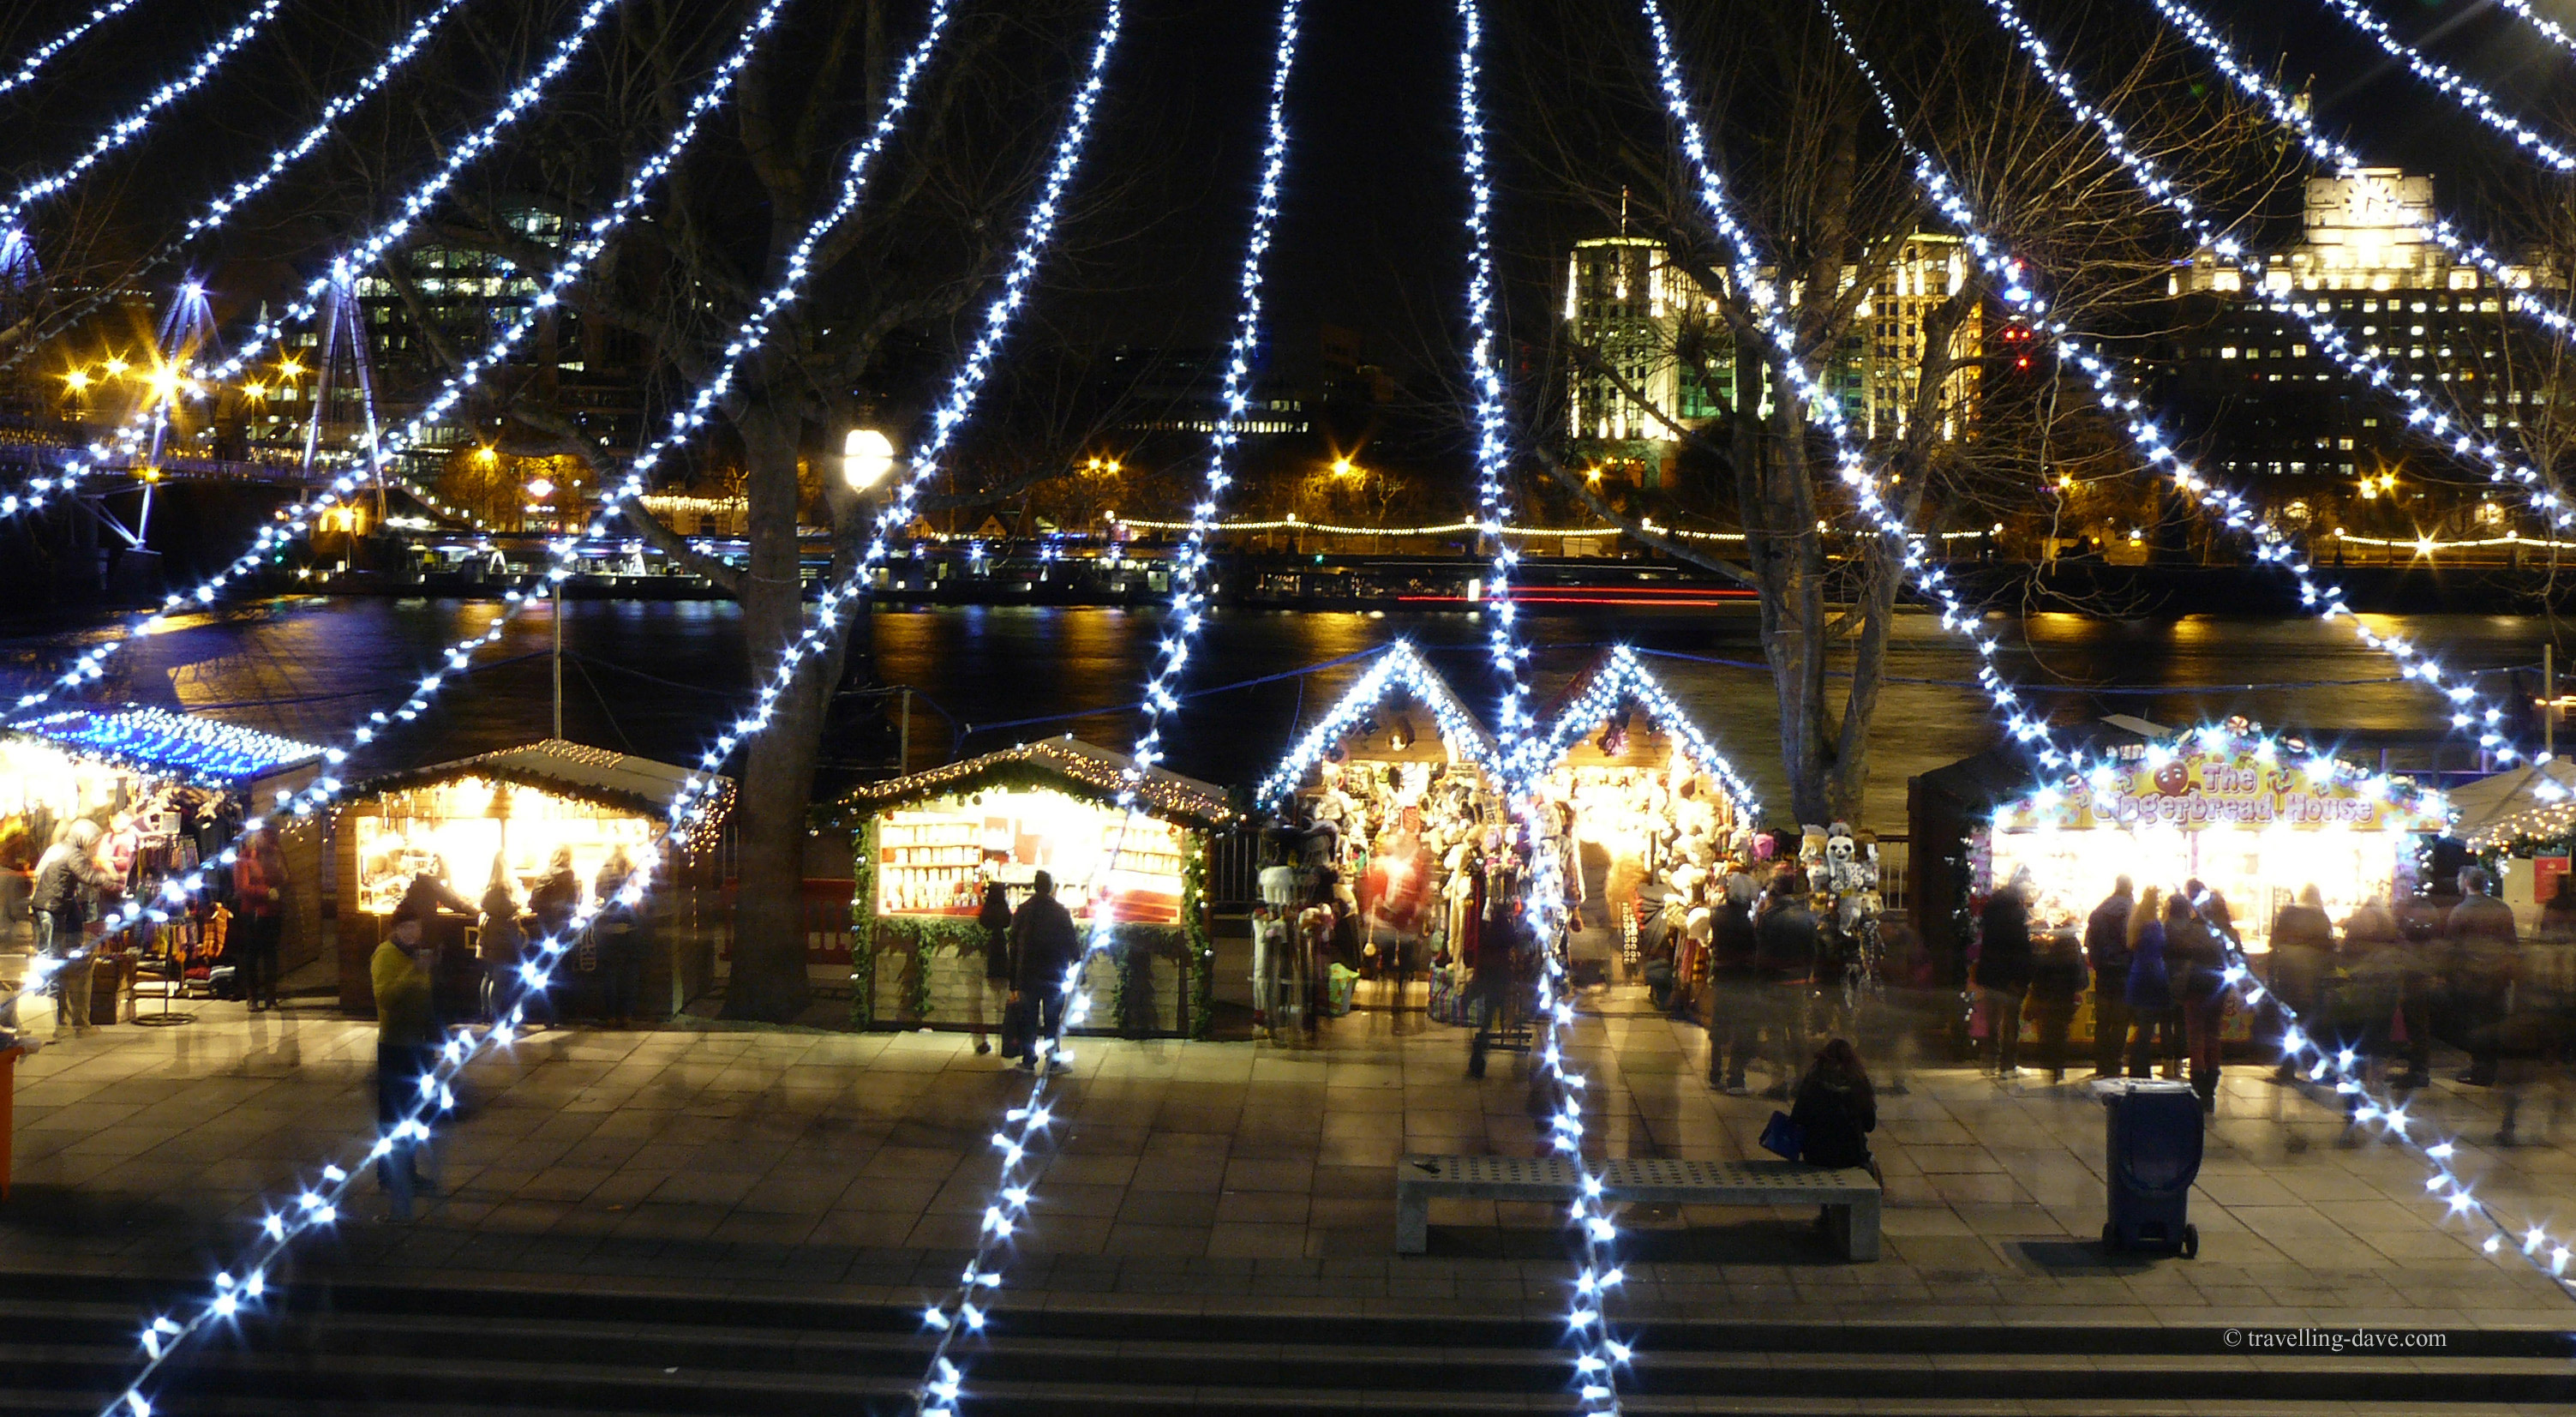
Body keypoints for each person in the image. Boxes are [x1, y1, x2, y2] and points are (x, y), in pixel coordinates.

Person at [371, 916, 440, 1221]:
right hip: (396, 1045)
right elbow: (385, 997)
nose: (415, 933)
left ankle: (407, 1171)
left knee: (414, 1113)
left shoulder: (414, 956)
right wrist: (415, 972)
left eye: (418, 927)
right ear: (395, 930)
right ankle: (389, 1174)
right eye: (408, 928)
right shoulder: (386, 955)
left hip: (418, 1044)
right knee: (393, 1114)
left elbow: (423, 998)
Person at [32, 820, 116, 1036]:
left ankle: (66, 1018)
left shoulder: (60, 849)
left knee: (57, 953)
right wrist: (111, 879)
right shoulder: (73, 854)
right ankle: (70, 1015)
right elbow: (88, 877)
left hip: (53, 906)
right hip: (56, 906)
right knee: (63, 957)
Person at [1789, 1038, 1881, 1234]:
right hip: (1850, 1157)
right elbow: (1869, 1125)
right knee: (1870, 1163)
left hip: (1816, 1155)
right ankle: (1855, 1216)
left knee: (1826, 1153)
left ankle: (1825, 1213)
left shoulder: (1814, 1081)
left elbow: (1797, 1118)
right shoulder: (1859, 1083)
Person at [2446, 866, 2519, 1089]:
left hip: (2471, 978)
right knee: (2493, 1023)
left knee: (2475, 1024)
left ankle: (2479, 1068)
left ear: (2467, 882)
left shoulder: (2461, 911)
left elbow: (2453, 947)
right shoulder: (2502, 909)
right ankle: (2490, 1067)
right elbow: (2512, 943)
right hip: (2497, 977)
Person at [1007, 869, 1081, 1072]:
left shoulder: (1023, 910)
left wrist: (1013, 981)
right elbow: (1071, 942)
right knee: (1052, 1020)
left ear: (1033, 886)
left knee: (1029, 1019)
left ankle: (1029, 1059)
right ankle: (1052, 1060)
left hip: (1028, 975)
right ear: (1050, 887)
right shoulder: (1061, 912)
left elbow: (1013, 944)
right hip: (1054, 974)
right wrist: (1078, 966)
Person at [1752, 874, 1818, 1099]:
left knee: (1776, 1033)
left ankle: (1778, 1081)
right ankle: (1802, 1080)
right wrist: (1808, 975)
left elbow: (1762, 952)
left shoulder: (1769, 918)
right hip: (1798, 982)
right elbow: (1812, 951)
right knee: (1799, 1033)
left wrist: (1760, 979)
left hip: (1775, 982)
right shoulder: (1808, 917)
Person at [2266, 885, 2334, 1081]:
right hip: (2314, 978)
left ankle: (2288, 1066)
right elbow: (2330, 948)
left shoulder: (2288, 914)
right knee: (2309, 1023)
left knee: (2290, 1022)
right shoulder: (2322, 917)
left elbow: (2274, 942)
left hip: (2288, 974)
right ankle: (2310, 1064)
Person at [1974, 867, 2035, 1078]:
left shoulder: (1991, 910)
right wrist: (2024, 975)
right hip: (2011, 976)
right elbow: (2021, 947)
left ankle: (1990, 1060)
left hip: (1991, 972)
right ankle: (2008, 1064)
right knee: (2011, 1021)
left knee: (1993, 1020)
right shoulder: (2017, 914)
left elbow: (1987, 943)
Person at [2169, 891, 2227, 1111]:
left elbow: (2174, 952)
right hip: (2218, 988)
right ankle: (2211, 1085)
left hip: (2194, 988)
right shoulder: (2224, 930)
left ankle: (2198, 1082)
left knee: (2195, 1036)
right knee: (2213, 1035)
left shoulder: (2190, 930)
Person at [1705, 873, 1761, 1094]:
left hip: (1722, 977)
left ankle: (1715, 1072)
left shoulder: (1717, 915)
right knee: (1742, 1028)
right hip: (1741, 980)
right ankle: (1735, 1077)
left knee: (1719, 1026)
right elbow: (1752, 949)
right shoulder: (1745, 924)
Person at [231, 824, 289, 1012]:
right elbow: (242, 887)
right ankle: (252, 997)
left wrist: (279, 887)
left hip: (272, 910)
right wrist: (265, 892)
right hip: (253, 912)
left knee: (271, 954)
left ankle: (271, 996)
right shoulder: (245, 858)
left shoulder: (274, 854)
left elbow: (285, 877)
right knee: (252, 955)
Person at [2084, 877, 2136, 1078]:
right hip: (2126, 974)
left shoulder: (2099, 911)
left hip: (2104, 974)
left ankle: (2101, 1064)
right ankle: (2115, 1063)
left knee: (2103, 1021)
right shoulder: (2134, 911)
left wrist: (2099, 963)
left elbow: (2089, 942)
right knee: (2121, 1021)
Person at [2124, 886, 2177, 1078]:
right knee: (2147, 1029)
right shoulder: (2154, 926)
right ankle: (2139, 1070)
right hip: (2153, 979)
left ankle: (2139, 1068)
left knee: (2144, 1027)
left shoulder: (2136, 923)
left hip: (2138, 976)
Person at [2028, 914, 2088, 1084]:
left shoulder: (2052, 948)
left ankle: (2052, 1065)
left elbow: (2041, 973)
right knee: (2061, 1033)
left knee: (2050, 1032)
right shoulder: (2074, 949)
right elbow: (2082, 979)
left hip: (2050, 996)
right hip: (2066, 997)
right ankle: (2058, 1067)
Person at [591, 847, 645, 1028]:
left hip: (606, 928)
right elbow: (640, 900)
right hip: (628, 927)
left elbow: (598, 895)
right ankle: (627, 1015)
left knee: (609, 973)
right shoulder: (631, 872)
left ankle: (611, 1015)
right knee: (630, 973)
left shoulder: (601, 873)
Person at [476, 855, 525, 1025]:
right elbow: (520, 904)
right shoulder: (510, 888)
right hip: (505, 941)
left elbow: (481, 905)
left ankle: (486, 1012)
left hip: (489, 940)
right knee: (502, 981)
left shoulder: (488, 889)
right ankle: (500, 1016)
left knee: (488, 976)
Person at [973, 880, 1013, 1056]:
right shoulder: (1006, 914)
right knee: (1002, 1002)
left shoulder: (985, 914)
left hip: (985, 962)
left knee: (983, 1005)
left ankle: (983, 1041)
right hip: (1003, 961)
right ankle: (1004, 1042)